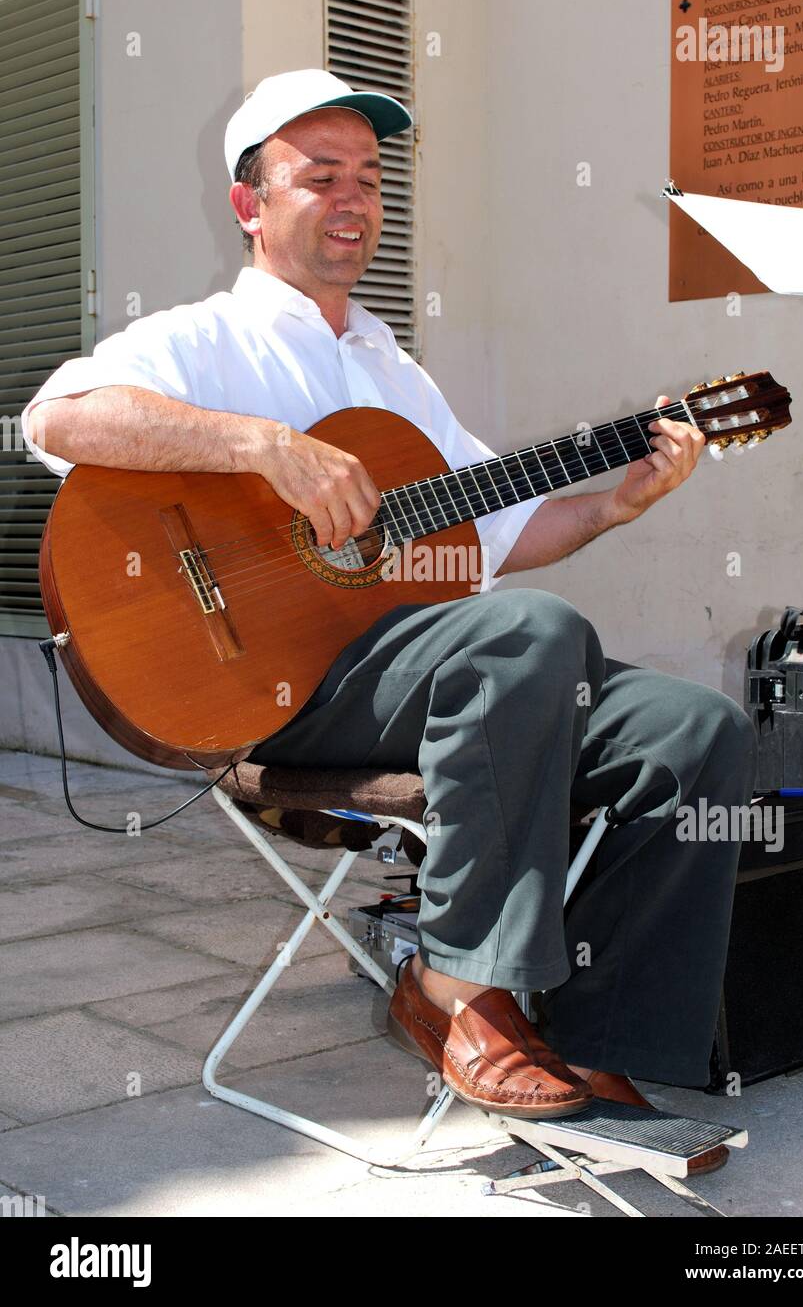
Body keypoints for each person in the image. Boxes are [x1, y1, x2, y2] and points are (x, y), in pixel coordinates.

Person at [23, 69, 757, 1173]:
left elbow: (503, 534)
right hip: (278, 691)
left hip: (427, 679)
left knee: (694, 729)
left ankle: (598, 1044)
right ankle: (455, 981)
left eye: (369, 178)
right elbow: (58, 415)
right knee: (529, 634)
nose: (355, 199)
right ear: (251, 206)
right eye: (321, 177)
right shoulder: (204, 340)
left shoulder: (390, 368)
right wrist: (265, 446)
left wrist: (617, 498)